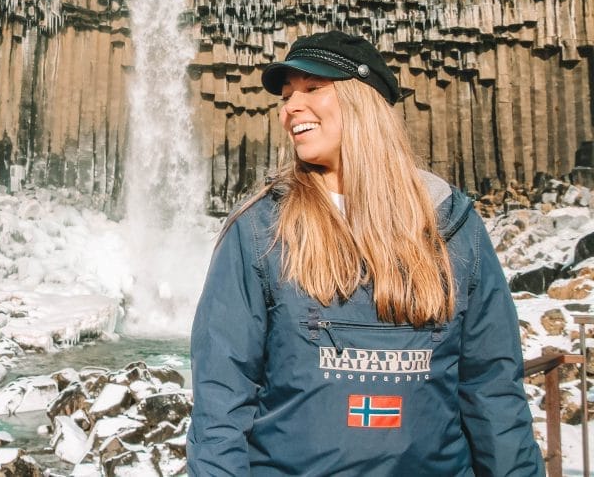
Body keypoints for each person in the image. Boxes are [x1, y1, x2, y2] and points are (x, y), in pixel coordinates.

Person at [186, 30, 545, 476]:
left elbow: (493, 391)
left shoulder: (451, 224)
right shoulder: (260, 228)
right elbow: (221, 402)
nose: (290, 108)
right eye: (287, 95)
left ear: (363, 102)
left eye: (313, 88)